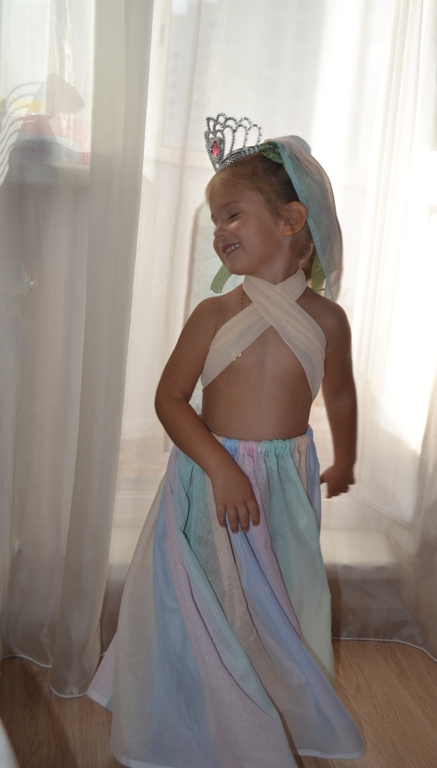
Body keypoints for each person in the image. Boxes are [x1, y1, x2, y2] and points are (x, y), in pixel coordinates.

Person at [88, 114, 364, 768]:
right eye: (215, 221)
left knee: (271, 605)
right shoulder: (214, 314)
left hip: (282, 485)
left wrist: (346, 458)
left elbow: (341, 395)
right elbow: (170, 399)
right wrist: (219, 466)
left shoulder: (327, 319)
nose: (219, 232)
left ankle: (265, 710)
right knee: (201, 602)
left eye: (232, 215)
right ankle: (186, 715)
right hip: (209, 480)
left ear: (292, 220)